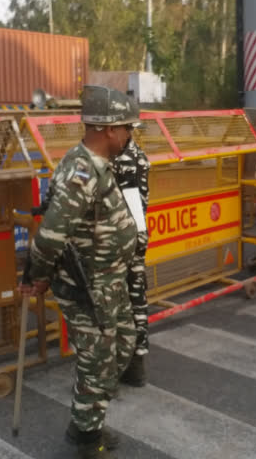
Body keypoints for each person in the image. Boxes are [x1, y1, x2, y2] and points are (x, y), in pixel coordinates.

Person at [20, 85, 140, 459]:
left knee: (123, 344)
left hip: (110, 281)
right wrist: (37, 277)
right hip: (89, 287)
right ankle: (87, 440)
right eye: (126, 128)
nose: (129, 135)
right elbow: (51, 237)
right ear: (108, 130)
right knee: (98, 363)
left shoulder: (97, 165)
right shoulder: (82, 172)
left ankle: (87, 419)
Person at [114, 131, 151, 386]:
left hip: (123, 238)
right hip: (136, 233)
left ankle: (118, 367)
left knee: (117, 301)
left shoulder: (122, 161)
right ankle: (136, 364)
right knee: (137, 298)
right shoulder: (138, 155)